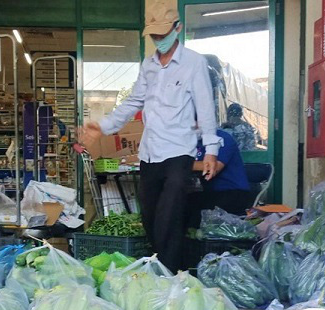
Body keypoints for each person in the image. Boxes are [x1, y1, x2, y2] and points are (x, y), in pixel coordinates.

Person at [80, 2, 221, 272]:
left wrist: (211, 150)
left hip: (180, 152)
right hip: (150, 153)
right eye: (154, 36)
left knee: (169, 217)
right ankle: (163, 268)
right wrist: (104, 125)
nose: (159, 40)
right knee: (150, 218)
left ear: (177, 29)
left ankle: (167, 275)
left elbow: (205, 109)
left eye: (163, 34)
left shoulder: (193, 63)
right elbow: (134, 101)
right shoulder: (149, 65)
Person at [186, 128, 253, 229]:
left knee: (188, 210)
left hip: (233, 192)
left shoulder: (222, 139)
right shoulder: (190, 141)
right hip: (207, 192)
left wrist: (178, 164)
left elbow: (213, 168)